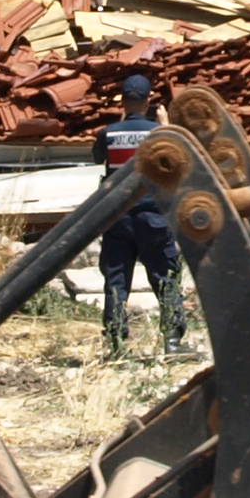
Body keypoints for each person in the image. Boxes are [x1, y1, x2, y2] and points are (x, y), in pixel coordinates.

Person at [92, 73, 188, 360]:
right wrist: (166, 124)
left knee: (116, 280)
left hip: (117, 218)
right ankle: (172, 342)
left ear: (123, 100)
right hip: (154, 217)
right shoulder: (159, 135)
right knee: (165, 277)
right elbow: (180, 158)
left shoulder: (109, 133)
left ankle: (116, 345)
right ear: (148, 101)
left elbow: (98, 159)